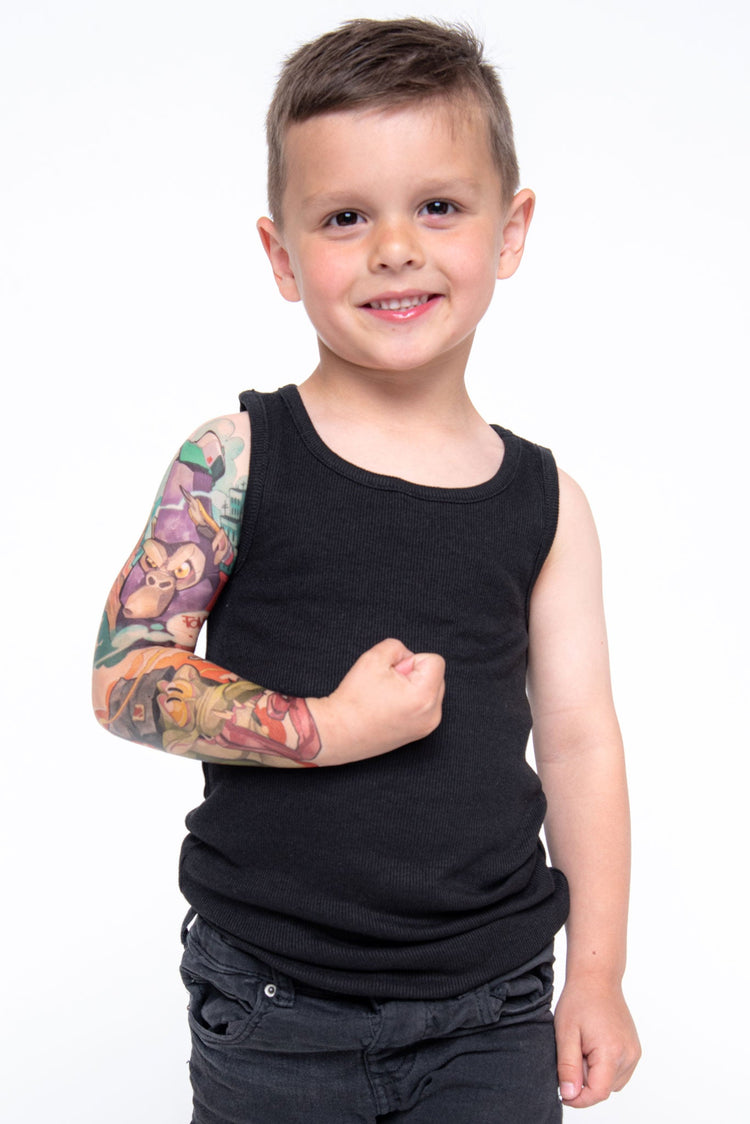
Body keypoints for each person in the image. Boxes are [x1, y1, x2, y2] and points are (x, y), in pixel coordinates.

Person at [92, 17, 640, 1123]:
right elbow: (124, 675)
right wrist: (326, 727)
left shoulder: (549, 504)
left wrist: (596, 972)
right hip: (273, 998)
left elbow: (581, 740)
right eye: (346, 216)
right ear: (282, 256)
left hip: (493, 1003)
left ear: (510, 230)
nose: (395, 247)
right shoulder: (236, 459)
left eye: (438, 205)